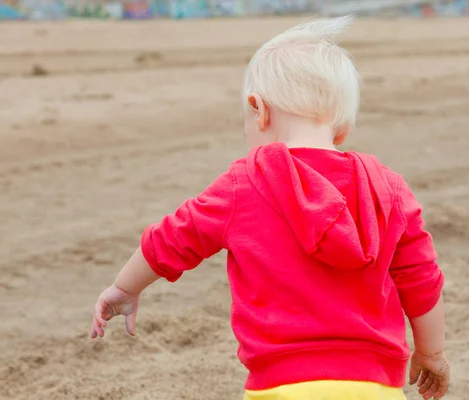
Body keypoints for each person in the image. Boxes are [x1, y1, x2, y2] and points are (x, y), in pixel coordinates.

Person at [90, 16, 449, 400]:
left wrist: (124, 288)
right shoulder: (388, 189)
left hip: (281, 384)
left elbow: (174, 238)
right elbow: (421, 280)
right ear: (341, 128)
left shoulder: (245, 183)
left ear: (258, 110)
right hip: (374, 385)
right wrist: (432, 354)